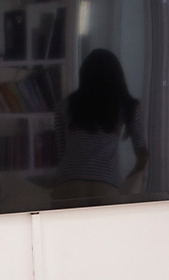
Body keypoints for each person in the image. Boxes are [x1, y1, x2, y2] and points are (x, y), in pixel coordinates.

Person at [52, 49, 148, 200]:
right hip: (106, 186)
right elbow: (143, 153)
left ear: (84, 75)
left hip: (67, 185)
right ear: (117, 76)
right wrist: (131, 180)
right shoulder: (126, 106)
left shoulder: (64, 105)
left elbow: (61, 154)